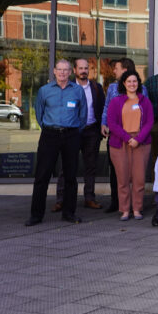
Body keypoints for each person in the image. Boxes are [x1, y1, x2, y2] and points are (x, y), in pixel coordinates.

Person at [27, 59, 87, 226]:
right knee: (42, 176)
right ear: (54, 71)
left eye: (66, 70)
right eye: (59, 70)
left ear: (70, 72)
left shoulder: (77, 91)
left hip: (71, 135)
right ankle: (36, 215)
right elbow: (39, 114)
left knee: (71, 176)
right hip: (50, 135)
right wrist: (49, 128)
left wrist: (74, 130)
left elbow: (83, 115)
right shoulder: (44, 91)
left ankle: (69, 213)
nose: (62, 73)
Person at [54, 57, 105, 212]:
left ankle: (89, 198)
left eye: (86, 68)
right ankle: (61, 200)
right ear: (74, 70)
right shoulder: (68, 88)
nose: (84, 71)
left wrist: (102, 126)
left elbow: (102, 109)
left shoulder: (96, 88)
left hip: (91, 131)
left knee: (91, 166)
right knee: (67, 166)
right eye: (80, 68)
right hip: (73, 132)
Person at [104, 69, 152, 221]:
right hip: (120, 143)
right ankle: (125, 209)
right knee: (123, 178)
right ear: (124, 83)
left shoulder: (144, 101)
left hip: (141, 142)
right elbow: (112, 123)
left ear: (138, 84)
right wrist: (127, 138)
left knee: (139, 178)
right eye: (129, 81)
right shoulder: (116, 101)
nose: (132, 84)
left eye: (135, 81)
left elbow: (150, 122)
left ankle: (137, 208)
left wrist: (138, 138)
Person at [101, 57, 136, 212]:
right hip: (115, 135)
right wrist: (104, 123)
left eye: (117, 68)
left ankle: (135, 203)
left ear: (125, 69)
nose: (114, 70)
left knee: (134, 171)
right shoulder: (112, 88)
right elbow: (107, 107)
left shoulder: (141, 88)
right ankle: (116, 202)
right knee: (115, 170)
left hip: (134, 136)